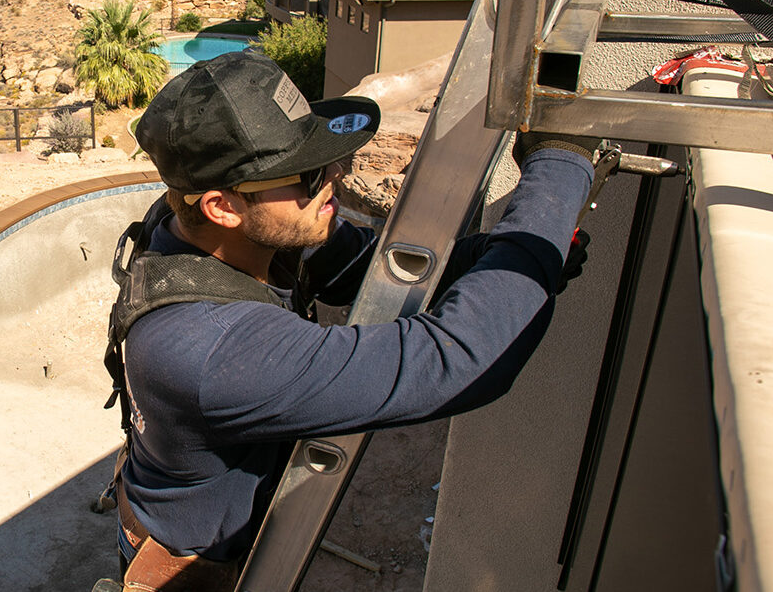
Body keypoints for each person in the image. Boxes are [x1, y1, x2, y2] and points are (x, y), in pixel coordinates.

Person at [101, 52, 597, 591]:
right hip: (192, 575)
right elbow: (458, 359)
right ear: (223, 206)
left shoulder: (231, 233)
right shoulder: (214, 350)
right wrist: (561, 166)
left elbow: (369, 267)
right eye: (310, 171)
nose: (335, 175)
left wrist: (515, 255)